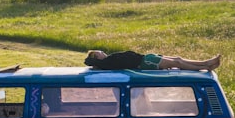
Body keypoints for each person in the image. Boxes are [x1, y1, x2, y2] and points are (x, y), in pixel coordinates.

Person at [84, 49, 221, 72]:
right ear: (97, 58)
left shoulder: (108, 60)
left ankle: (206, 62)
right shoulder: (106, 63)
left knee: (178, 59)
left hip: (147, 57)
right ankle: (205, 67)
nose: (102, 52)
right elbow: (88, 62)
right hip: (145, 62)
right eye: (99, 53)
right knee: (177, 64)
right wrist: (94, 60)